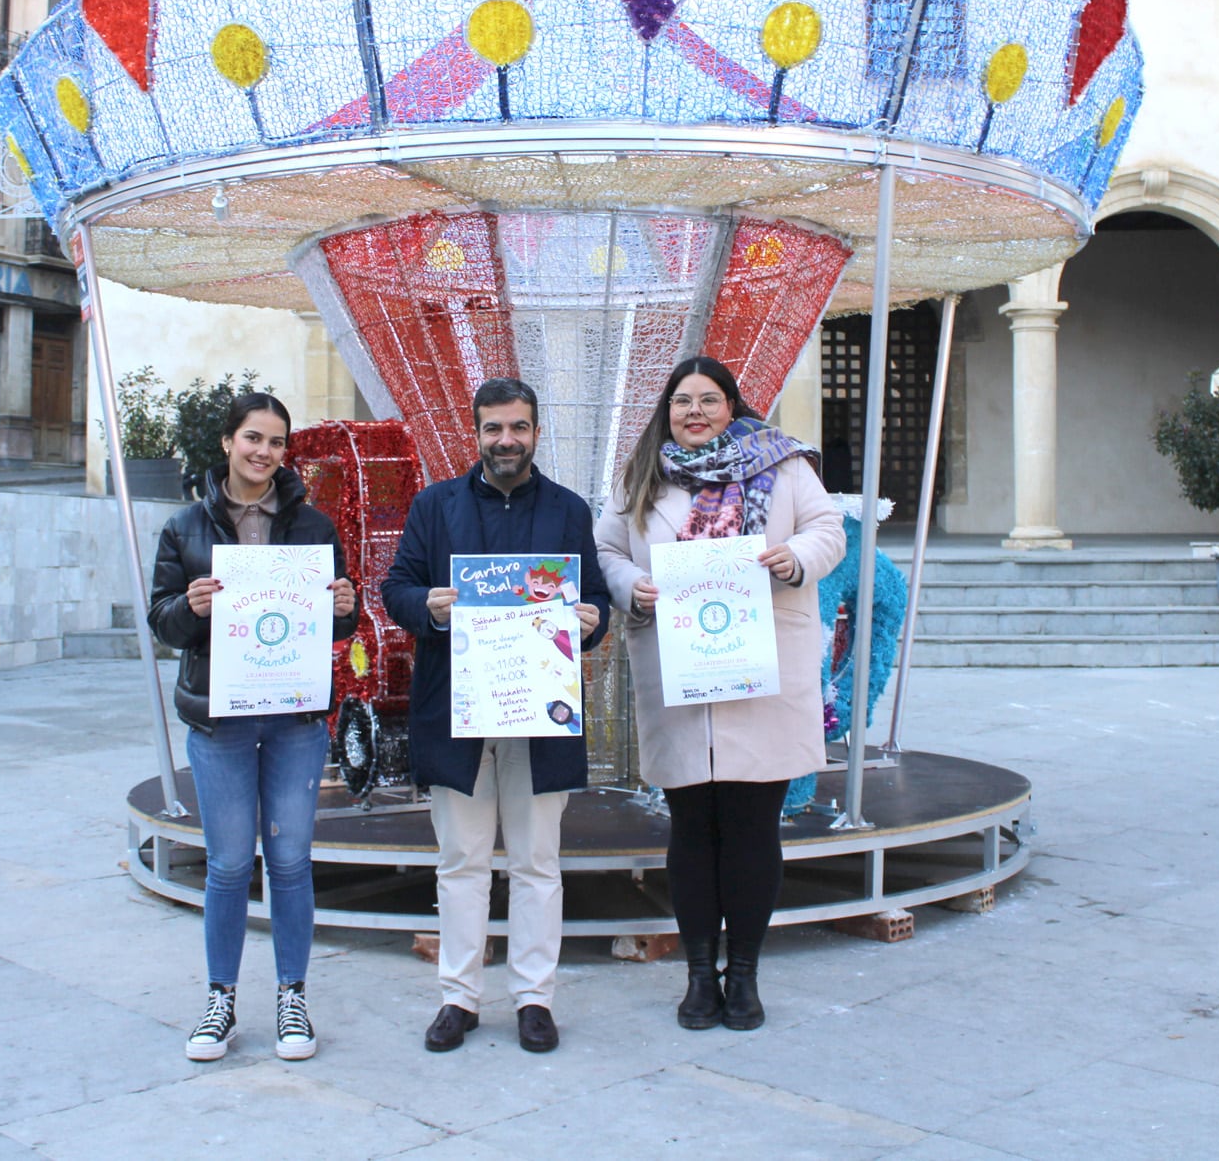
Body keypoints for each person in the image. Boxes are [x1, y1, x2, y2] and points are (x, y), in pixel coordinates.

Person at [595, 356, 843, 1031]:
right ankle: (700, 975)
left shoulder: (783, 465)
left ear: (732, 405)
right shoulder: (643, 473)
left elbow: (828, 530)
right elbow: (609, 549)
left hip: (759, 672)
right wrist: (629, 585)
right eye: (682, 400)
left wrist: (794, 558)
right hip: (680, 676)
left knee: (752, 828)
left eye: (708, 399)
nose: (694, 411)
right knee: (692, 829)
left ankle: (746, 974)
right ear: (665, 410)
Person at [382, 377, 610, 1054]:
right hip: (457, 708)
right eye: (492, 428)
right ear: (474, 433)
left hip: (538, 712)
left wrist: (590, 621)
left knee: (538, 859)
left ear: (536, 432)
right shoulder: (434, 506)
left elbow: (591, 597)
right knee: (461, 860)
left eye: (517, 427)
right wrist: (429, 604)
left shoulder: (569, 511)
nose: (505, 439)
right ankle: (459, 996)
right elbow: (395, 587)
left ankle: (534, 997)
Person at [148, 392, 357, 1063]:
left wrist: (345, 606)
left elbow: (337, 621)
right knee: (230, 863)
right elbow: (161, 622)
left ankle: (292, 996)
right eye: (251, 438)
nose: (263, 452)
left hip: (294, 716)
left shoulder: (314, 527)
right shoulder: (184, 527)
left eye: (275, 441)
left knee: (291, 861)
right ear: (226, 442)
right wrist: (189, 603)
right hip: (220, 720)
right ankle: (220, 999)